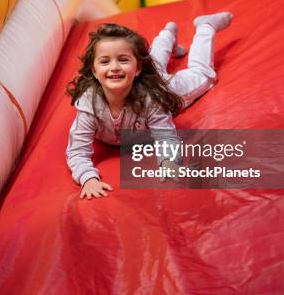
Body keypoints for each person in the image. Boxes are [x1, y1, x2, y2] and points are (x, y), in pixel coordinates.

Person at [66, 12, 233, 199]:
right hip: (140, 78)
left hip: (159, 87)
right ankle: (167, 34)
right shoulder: (90, 105)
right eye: (105, 61)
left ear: (138, 68)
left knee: (203, 76)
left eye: (122, 59)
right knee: (153, 64)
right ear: (94, 71)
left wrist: (168, 162)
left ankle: (205, 27)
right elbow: (77, 151)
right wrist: (88, 178)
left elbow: (166, 136)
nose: (114, 67)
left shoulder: (151, 98)